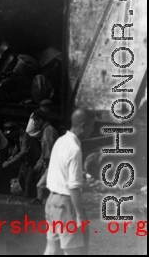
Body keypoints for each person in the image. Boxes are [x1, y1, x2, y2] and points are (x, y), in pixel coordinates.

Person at [44, 109, 94, 255]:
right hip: (66, 205)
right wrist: (79, 214)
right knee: (74, 252)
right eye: (92, 126)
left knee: (51, 249)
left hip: (52, 201)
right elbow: (74, 186)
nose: (93, 130)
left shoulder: (60, 141)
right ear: (83, 125)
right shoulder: (74, 148)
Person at [1, 121, 41, 197]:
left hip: (33, 161)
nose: (10, 136)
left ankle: (29, 198)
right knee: (21, 178)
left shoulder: (24, 136)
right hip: (26, 161)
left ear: (15, 130)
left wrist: (9, 163)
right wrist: (12, 155)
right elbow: (17, 146)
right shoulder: (16, 135)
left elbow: (23, 152)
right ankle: (27, 195)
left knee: (29, 182)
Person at [31, 109, 59, 202]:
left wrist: (42, 162)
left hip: (54, 164)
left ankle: (38, 210)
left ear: (40, 120)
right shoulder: (46, 130)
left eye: (35, 120)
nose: (34, 124)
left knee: (41, 186)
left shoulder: (48, 131)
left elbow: (49, 152)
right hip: (52, 164)